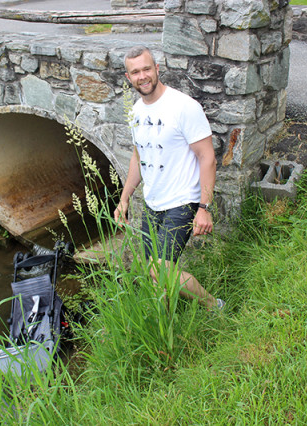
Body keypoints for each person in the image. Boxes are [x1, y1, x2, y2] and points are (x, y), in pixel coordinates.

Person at [114, 45, 224, 310]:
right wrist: (124, 199)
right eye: (135, 72)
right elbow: (137, 157)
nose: (142, 76)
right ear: (128, 77)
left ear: (157, 69)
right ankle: (164, 327)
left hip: (182, 200)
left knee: (159, 268)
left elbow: (207, 157)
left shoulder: (183, 107)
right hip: (153, 203)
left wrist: (203, 208)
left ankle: (213, 305)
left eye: (146, 69)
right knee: (154, 274)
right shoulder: (136, 112)